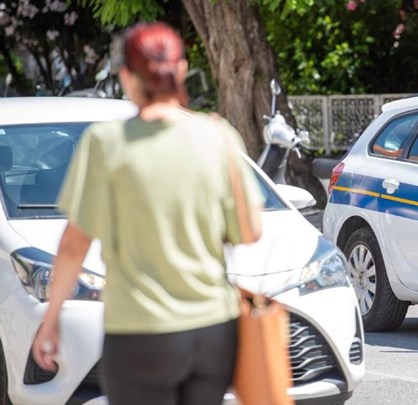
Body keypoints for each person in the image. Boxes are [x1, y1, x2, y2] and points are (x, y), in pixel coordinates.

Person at [32, 22, 263, 405]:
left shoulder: (105, 144)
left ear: (126, 76)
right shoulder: (219, 137)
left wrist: (51, 318)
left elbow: (74, 246)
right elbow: (250, 231)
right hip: (212, 330)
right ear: (182, 69)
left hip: (138, 332)